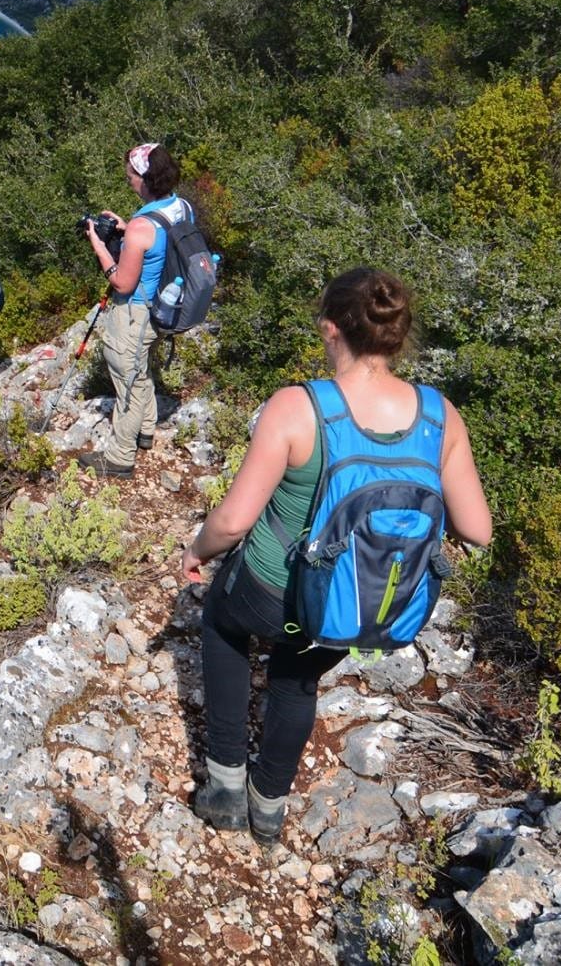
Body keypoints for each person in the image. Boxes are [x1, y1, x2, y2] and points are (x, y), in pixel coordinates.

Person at [178, 268, 492, 846]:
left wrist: (196, 554)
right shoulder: (439, 414)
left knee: (221, 621)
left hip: (273, 593)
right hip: (352, 601)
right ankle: (268, 806)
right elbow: (478, 528)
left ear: (330, 329)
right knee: (296, 679)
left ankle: (224, 782)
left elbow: (233, 522)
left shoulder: (299, 406)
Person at [79, 142, 189, 478]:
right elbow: (161, 242)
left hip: (135, 313)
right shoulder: (180, 206)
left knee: (127, 379)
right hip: (164, 306)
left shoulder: (143, 227)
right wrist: (129, 230)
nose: (128, 180)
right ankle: (145, 431)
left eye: (130, 175)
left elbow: (123, 283)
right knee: (141, 369)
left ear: (145, 179)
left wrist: (100, 247)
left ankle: (119, 457)